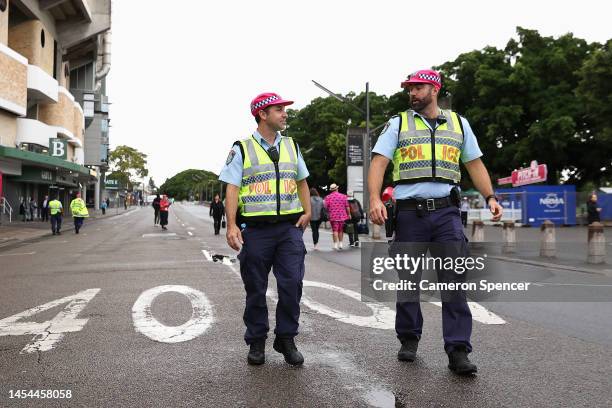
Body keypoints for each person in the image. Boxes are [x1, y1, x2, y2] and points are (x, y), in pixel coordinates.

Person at [368, 69, 503, 375]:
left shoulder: (459, 123)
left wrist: (490, 197)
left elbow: (474, 163)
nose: (411, 94)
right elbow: (379, 161)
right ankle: (409, 338)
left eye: (417, 88)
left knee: (453, 281)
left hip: (446, 213)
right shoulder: (398, 123)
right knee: (409, 281)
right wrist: (375, 199)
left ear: (434, 89)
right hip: (408, 214)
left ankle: (458, 349)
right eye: (409, 89)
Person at [220, 92, 311, 367]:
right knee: (256, 289)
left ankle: (286, 338)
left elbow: (302, 181)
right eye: (279, 109)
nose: (285, 114)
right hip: (256, 231)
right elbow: (232, 188)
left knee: (292, 284)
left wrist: (308, 212)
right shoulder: (242, 148)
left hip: (288, 230)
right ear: (262, 114)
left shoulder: (292, 146)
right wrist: (232, 224)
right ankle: (257, 341)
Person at [323, 183, 350, 250]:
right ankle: (340, 244)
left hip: (333, 216)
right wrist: (349, 214)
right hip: (342, 216)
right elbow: (347, 206)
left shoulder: (328, 197)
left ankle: (335, 244)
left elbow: (325, 207)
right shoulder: (344, 196)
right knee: (341, 230)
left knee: (335, 230)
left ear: (331, 190)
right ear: (337, 189)